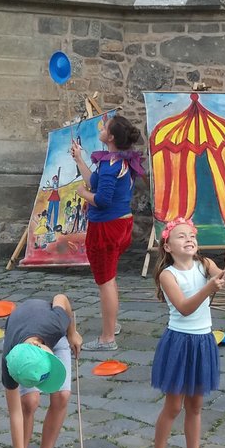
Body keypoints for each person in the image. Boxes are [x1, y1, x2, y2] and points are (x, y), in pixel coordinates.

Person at [147, 218, 225, 448]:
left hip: (203, 341)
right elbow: (185, 307)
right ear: (168, 246)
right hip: (180, 342)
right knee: (174, 406)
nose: (188, 239)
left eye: (191, 235)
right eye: (181, 236)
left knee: (195, 406)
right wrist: (209, 288)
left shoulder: (205, 264)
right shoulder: (167, 274)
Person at [69, 114, 144, 351]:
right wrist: (80, 159)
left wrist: (82, 194)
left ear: (110, 137)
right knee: (109, 277)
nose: (101, 129)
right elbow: (95, 182)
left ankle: (107, 337)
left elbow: (101, 199)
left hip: (106, 227)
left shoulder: (111, 164)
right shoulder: (116, 160)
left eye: (105, 128)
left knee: (105, 280)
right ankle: (112, 323)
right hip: (119, 224)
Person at [1, 293, 83, 448]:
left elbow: (61, 297)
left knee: (62, 396)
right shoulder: (10, 362)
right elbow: (15, 414)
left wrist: (72, 332)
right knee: (28, 402)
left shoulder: (55, 323)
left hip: (53, 337)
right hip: (22, 340)